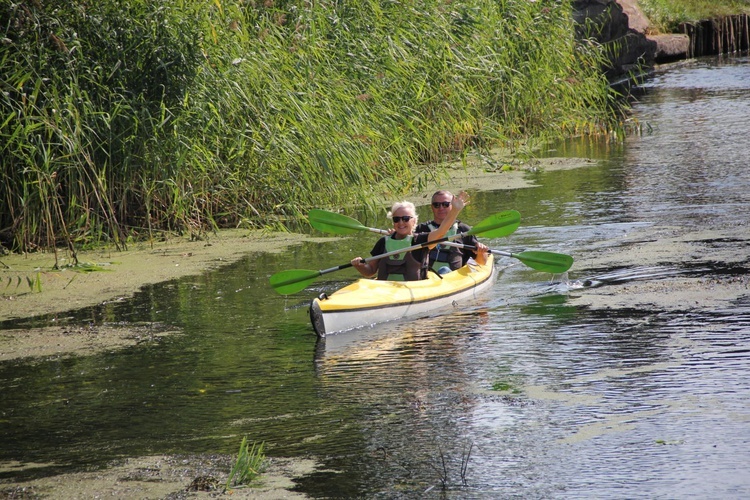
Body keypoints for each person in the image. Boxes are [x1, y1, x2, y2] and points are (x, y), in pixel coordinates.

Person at [351, 191, 471, 281]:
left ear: (414, 221)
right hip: (386, 291)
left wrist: (455, 210)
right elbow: (370, 272)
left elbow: (441, 232)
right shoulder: (383, 242)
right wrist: (359, 265)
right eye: (397, 219)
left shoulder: (420, 240)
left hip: (414, 291)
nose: (401, 223)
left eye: (406, 219)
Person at [415, 190, 489, 275]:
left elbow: (482, 262)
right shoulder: (421, 229)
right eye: (436, 205)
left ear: (452, 206)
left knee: (444, 270)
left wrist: (481, 251)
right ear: (432, 207)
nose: (441, 208)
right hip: (427, 278)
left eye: (445, 204)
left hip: (452, 279)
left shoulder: (464, 230)